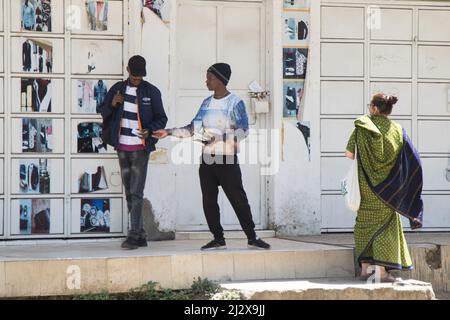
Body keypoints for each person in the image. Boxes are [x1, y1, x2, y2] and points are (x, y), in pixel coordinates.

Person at [153, 63, 270, 251]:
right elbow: (193, 129)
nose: (206, 81)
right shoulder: (206, 103)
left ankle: (252, 237)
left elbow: (243, 131)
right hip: (207, 159)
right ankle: (218, 238)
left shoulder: (235, 103)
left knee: (237, 199)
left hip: (226, 159)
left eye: (209, 78)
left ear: (220, 80)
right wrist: (167, 132)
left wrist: (220, 138)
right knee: (208, 200)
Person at [345, 93, 423, 282]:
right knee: (386, 226)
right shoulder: (397, 130)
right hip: (389, 189)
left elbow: (349, 154)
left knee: (364, 223)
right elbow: (412, 158)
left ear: (374, 108)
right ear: (388, 109)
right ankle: (381, 272)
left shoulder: (361, 128)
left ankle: (365, 269)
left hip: (366, 186)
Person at [99, 55, 168, 249]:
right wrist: (113, 103)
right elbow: (103, 112)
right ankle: (141, 235)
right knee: (129, 193)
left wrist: (149, 130)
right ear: (128, 70)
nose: (137, 79)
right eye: (134, 76)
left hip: (140, 149)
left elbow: (162, 118)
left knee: (136, 192)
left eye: (140, 77)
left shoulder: (152, 92)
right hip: (121, 147)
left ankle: (133, 235)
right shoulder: (117, 89)